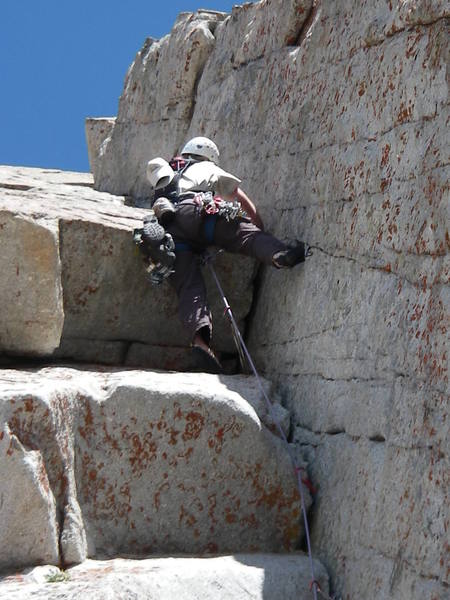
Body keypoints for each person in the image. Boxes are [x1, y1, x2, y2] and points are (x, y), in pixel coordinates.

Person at [144, 136, 311, 372]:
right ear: (208, 155)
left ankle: (201, 345)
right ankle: (278, 253)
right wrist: (257, 227)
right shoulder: (206, 167)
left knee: (188, 288)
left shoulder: (168, 174)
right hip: (200, 211)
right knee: (243, 235)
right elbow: (238, 197)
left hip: (170, 230)